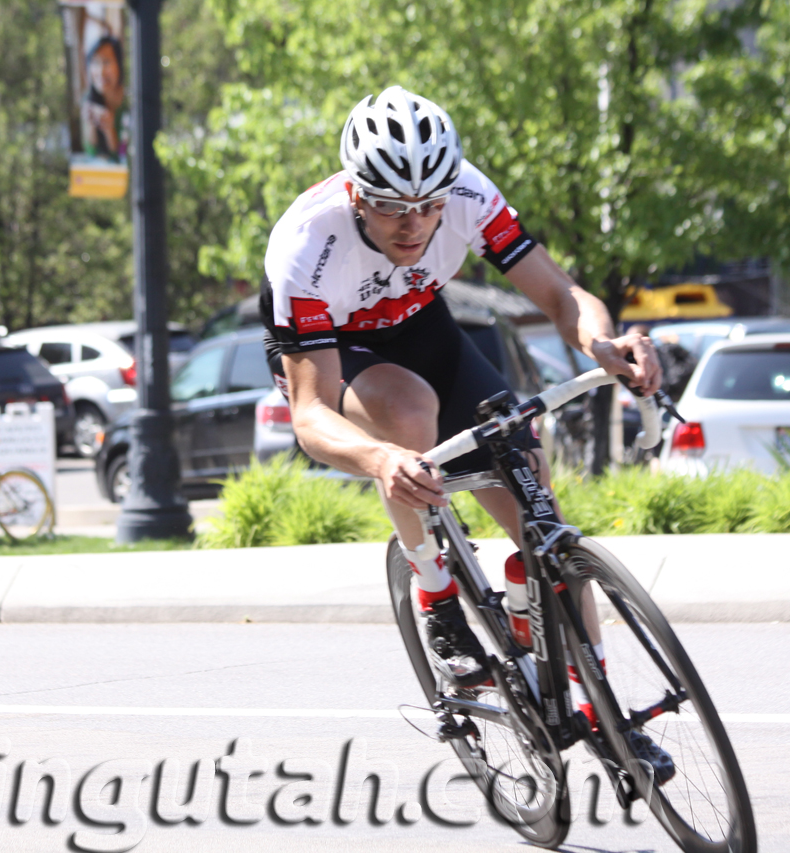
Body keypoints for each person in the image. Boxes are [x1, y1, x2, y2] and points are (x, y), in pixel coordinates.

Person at [261, 87, 664, 734]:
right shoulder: (306, 247)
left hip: (426, 329)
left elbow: (561, 294)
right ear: (355, 192)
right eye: (392, 206)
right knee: (409, 415)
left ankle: (602, 706)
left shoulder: (469, 195)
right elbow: (309, 413)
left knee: (542, 517)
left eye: (429, 206)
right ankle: (435, 590)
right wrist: (379, 457)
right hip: (339, 350)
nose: (414, 224)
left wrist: (602, 342)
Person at [82, 35, 128, 162]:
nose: (101, 71)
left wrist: (110, 130)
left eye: (107, 62)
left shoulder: (130, 102)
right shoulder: (88, 100)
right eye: (95, 62)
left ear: (119, 65)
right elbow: (91, 153)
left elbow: (124, 156)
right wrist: (91, 124)